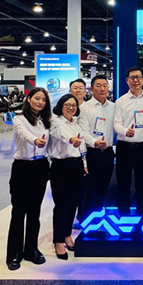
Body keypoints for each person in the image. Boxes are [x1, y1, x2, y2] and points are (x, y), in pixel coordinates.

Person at [5, 87, 51, 271]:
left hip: (41, 167)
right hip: (22, 168)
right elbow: (23, 134)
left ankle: (31, 250)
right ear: (29, 99)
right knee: (18, 212)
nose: (40, 102)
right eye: (37, 98)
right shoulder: (19, 119)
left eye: (44, 100)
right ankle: (14, 254)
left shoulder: (46, 121)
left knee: (34, 212)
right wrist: (35, 140)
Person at [113, 66, 143, 217]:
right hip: (124, 147)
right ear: (127, 81)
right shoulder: (120, 101)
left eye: (138, 77)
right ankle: (124, 217)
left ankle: (141, 217)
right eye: (132, 78)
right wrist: (125, 131)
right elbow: (116, 124)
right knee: (123, 184)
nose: (135, 80)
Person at [49, 94, 86, 260]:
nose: (71, 108)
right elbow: (60, 134)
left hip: (76, 165)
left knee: (72, 203)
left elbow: (82, 146)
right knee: (61, 205)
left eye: (74, 105)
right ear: (61, 105)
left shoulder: (76, 123)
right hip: (60, 166)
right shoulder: (55, 121)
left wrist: (84, 163)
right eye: (67, 104)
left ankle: (67, 235)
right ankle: (58, 241)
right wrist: (72, 139)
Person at [78, 75, 116, 220]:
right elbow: (83, 131)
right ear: (91, 89)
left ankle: (98, 220)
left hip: (107, 153)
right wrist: (95, 142)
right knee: (88, 190)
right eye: (98, 86)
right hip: (91, 153)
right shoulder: (84, 108)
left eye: (105, 85)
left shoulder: (113, 107)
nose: (102, 89)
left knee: (103, 189)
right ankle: (85, 221)